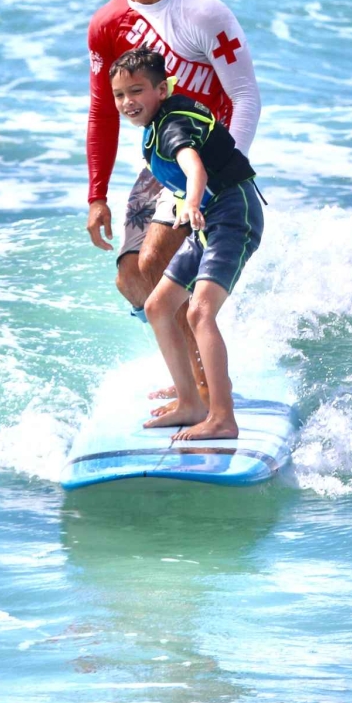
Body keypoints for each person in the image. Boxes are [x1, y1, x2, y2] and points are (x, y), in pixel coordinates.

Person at [84, 0, 261, 400]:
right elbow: (102, 109)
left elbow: (246, 96)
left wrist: (225, 175)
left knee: (159, 268)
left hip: (204, 160)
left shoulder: (203, 14)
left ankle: (205, 390)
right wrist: (96, 194)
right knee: (131, 279)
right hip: (161, 160)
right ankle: (194, 376)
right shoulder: (108, 23)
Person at [107, 47, 263, 440]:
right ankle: (191, 403)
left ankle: (223, 418)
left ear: (162, 89)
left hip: (232, 213)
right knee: (158, 305)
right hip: (210, 219)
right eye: (120, 94)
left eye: (137, 91)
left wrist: (190, 202)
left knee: (199, 313)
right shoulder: (156, 126)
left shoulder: (173, 123)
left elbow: (192, 164)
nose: (128, 102)